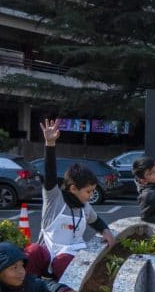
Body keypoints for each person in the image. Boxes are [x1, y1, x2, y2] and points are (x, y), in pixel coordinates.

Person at [25, 119, 115, 279]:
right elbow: (50, 173)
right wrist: (50, 144)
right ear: (73, 188)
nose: (91, 195)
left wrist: (106, 231)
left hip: (68, 255)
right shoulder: (54, 198)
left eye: (93, 191)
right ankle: (29, 289)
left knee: (63, 262)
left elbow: (96, 221)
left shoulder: (85, 207)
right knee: (32, 251)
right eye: (88, 191)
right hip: (47, 253)